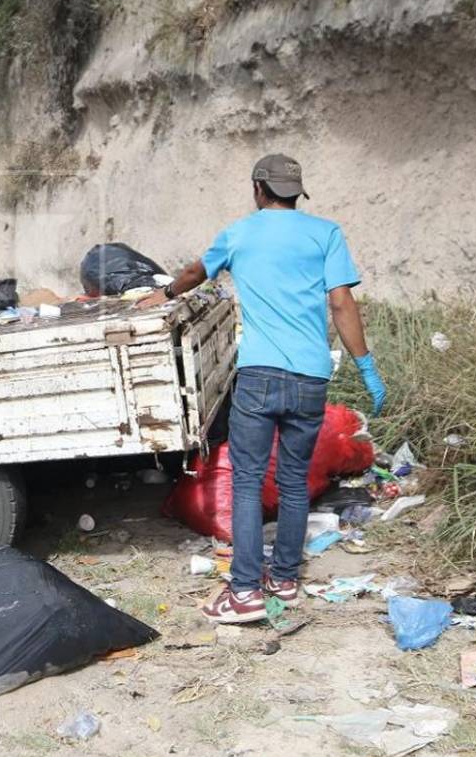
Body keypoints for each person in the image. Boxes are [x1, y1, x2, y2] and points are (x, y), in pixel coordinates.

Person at [137, 154, 386, 624]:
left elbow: (196, 274)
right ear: (296, 192)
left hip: (260, 376)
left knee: (247, 484)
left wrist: (166, 294)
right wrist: (367, 366)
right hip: (312, 377)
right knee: (294, 482)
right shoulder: (326, 233)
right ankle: (286, 580)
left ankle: (245, 591)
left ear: (258, 188)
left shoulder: (239, 233)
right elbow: (341, 301)